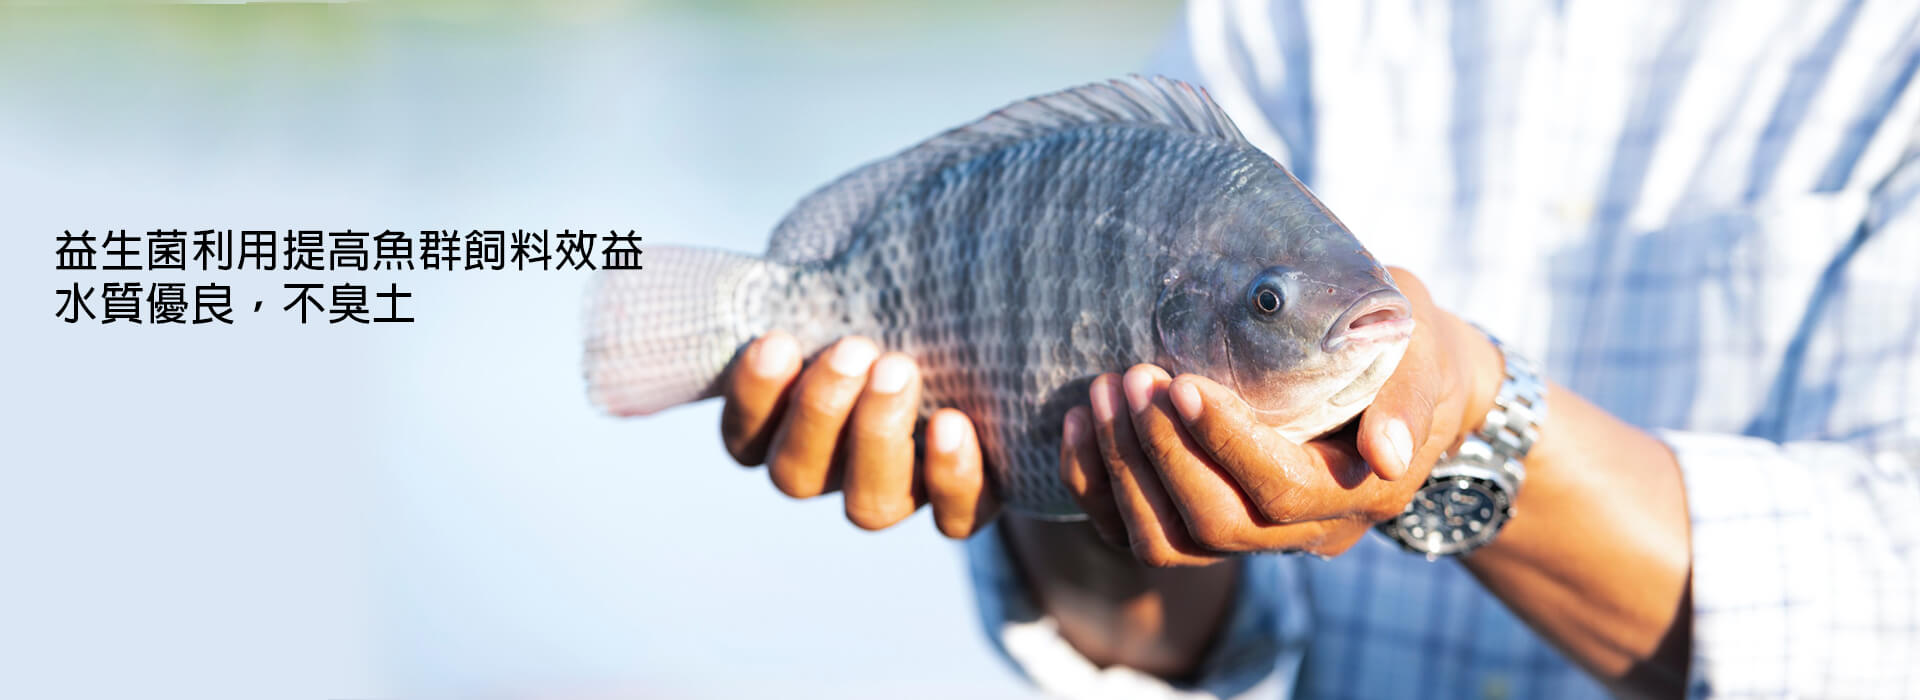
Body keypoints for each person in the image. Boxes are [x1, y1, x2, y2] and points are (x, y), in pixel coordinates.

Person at [713, 1, 1920, 697]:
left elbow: (1890, 612)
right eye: (1281, 303)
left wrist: (1473, 433)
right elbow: (1177, 640)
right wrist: (1070, 507)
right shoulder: (1282, 20)